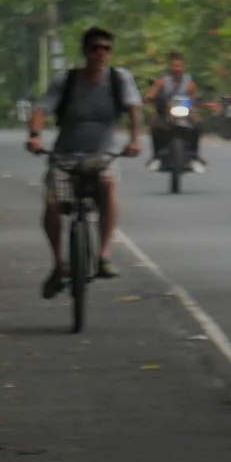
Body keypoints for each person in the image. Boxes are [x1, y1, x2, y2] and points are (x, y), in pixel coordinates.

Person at [27, 27, 142, 292]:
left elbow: (134, 109)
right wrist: (35, 135)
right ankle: (59, 263)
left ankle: (102, 255)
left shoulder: (119, 79)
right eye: (95, 49)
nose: (100, 54)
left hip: (102, 156)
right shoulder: (65, 81)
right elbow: (41, 110)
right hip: (65, 156)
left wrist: (135, 139)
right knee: (53, 203)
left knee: (109, 186)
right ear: (85, 52)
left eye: (106, 49)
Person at [147, 48, 206, 167]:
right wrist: (149, 96)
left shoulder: (189, 83)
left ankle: (193, 153)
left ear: (183, 67)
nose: (177, 69)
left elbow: (193, 98)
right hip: (165, 111)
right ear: (171, 67)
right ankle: (156, 154)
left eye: (179, 66)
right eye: (174, 66)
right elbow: (153, 92)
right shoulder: (163, 81)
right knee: (155, 125)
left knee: (198, 124)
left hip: (184, 111)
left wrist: (193, 107)